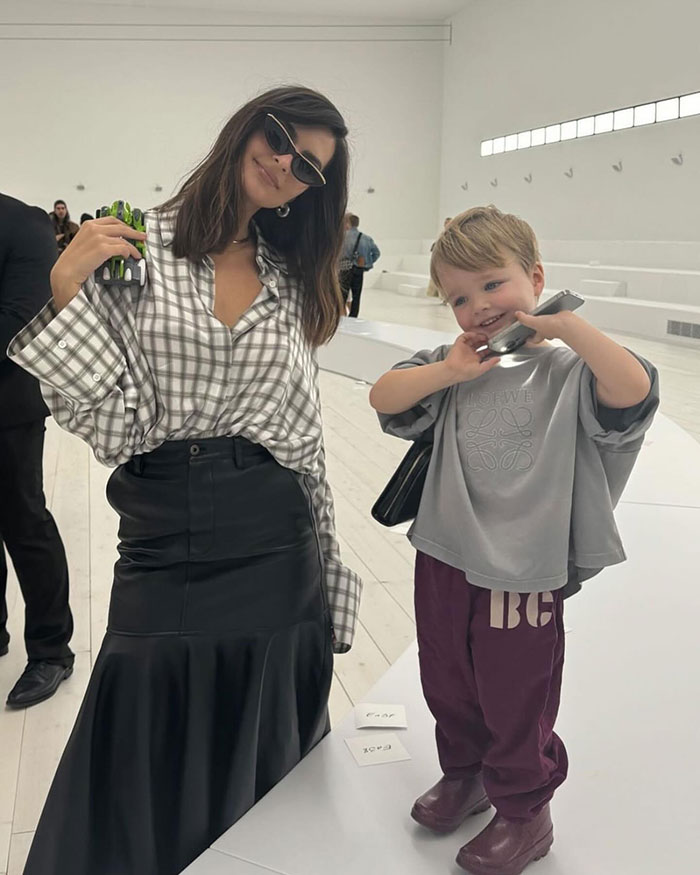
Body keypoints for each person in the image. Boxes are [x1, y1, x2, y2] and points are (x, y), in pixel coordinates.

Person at [8, 85, 362, 875]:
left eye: (307, 166)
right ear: (247, 129)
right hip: (166, 531)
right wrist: (67, 292)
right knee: (139, 733)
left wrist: (328, 568)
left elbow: (303, 439)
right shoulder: (136, 247)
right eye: (279, 139)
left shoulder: (293, 275)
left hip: (279, 544)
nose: (284, 164)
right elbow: (115, 427)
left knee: (259, 747)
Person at [369, 205, 658, 875]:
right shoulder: (456, 364)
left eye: (493, 284)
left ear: (535, 277)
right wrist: (448, 372)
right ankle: (466, 773)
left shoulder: (568, 371)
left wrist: (571, 328)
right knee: (446, 674)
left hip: (523, 567)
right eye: (460, 297)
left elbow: (633, 389)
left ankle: (525, 810)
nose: (478, 307)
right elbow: (385, 396)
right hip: (443, 550)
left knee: (515, 690)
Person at [0, 193, 74, 707]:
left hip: (7, 408)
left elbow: (20, 320)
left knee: (24, 523)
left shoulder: (23, 223)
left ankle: (51, 651)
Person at [338, 213, 380, 317]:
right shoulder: (366, 238)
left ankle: (339, 317)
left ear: (348, 223)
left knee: (342, 295)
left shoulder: (342, 238)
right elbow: (377, 253)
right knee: (356, 296)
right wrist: (367, 263)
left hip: (344, 269)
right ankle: (353, 318)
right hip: (358, 270)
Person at [427, 216, 452, 299]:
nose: (446, 224)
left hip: (446, 263)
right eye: (445, 223)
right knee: (433, 284)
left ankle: (444, 298)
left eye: (448, 222)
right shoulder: (441, 235)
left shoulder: (453, 236)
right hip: (438, 263)